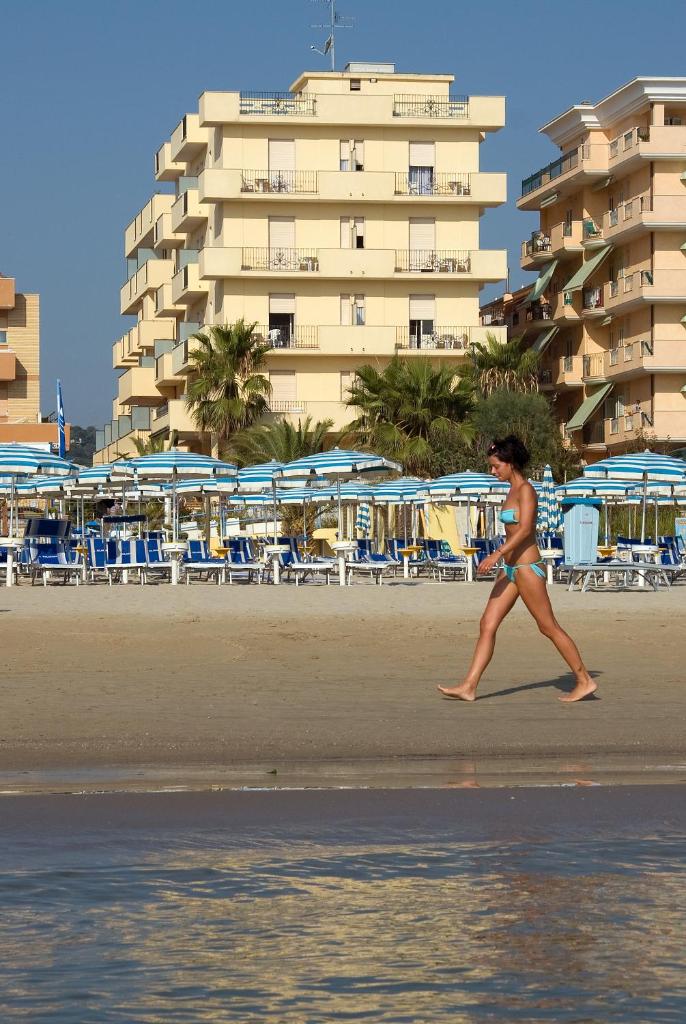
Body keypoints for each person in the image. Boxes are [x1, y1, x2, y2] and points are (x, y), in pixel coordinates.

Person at [438, 435, 597, 704]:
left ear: (510, 463)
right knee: (487, 624)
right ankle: (469, 686)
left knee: (548, 627)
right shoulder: (510, 490)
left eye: (495, 466)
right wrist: (502, 559)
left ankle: (584, 680)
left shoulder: (526, 490)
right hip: (509, 569)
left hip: (526, 567)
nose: (492, 471)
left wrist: (495, 554)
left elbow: (525, 530)